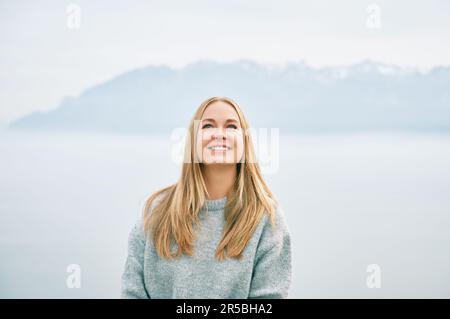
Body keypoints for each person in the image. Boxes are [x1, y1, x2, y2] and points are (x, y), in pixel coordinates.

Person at [121, 96, 292, 298]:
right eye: (208, 126)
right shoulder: (156, 211)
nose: (219, 134)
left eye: (231, 127)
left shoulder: (266, 219)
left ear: (245, 142)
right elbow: (132, 292)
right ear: (194, 140)